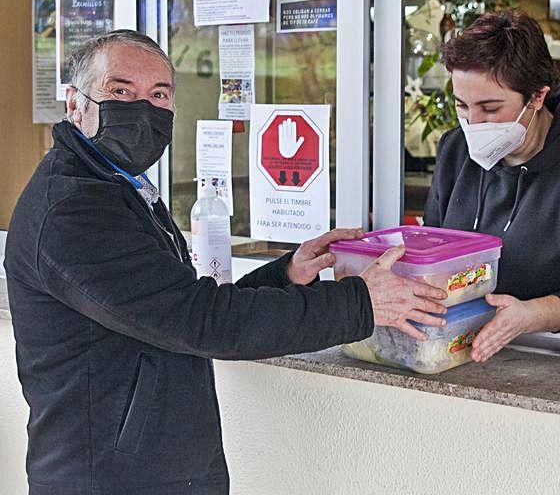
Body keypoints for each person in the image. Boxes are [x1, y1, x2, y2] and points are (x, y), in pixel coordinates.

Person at [5, 31, 447, 495]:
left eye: (158, 95)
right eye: (120, 91)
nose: (144, 109)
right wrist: (361, 304)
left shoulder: (122, 186)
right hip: (108, 477)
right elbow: (203, 322)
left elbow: (180, 305)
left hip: (152, 467)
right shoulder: (75, 208)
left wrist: (288, 273)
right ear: (75, 104)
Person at [423, 9, 560, 363]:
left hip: (544, 355)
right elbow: (434, 252)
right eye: (462, 106)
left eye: (490, 108)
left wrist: (536, 314)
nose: (473, 123)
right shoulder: (455, 150)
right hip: (456, 345)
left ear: (537, 97)